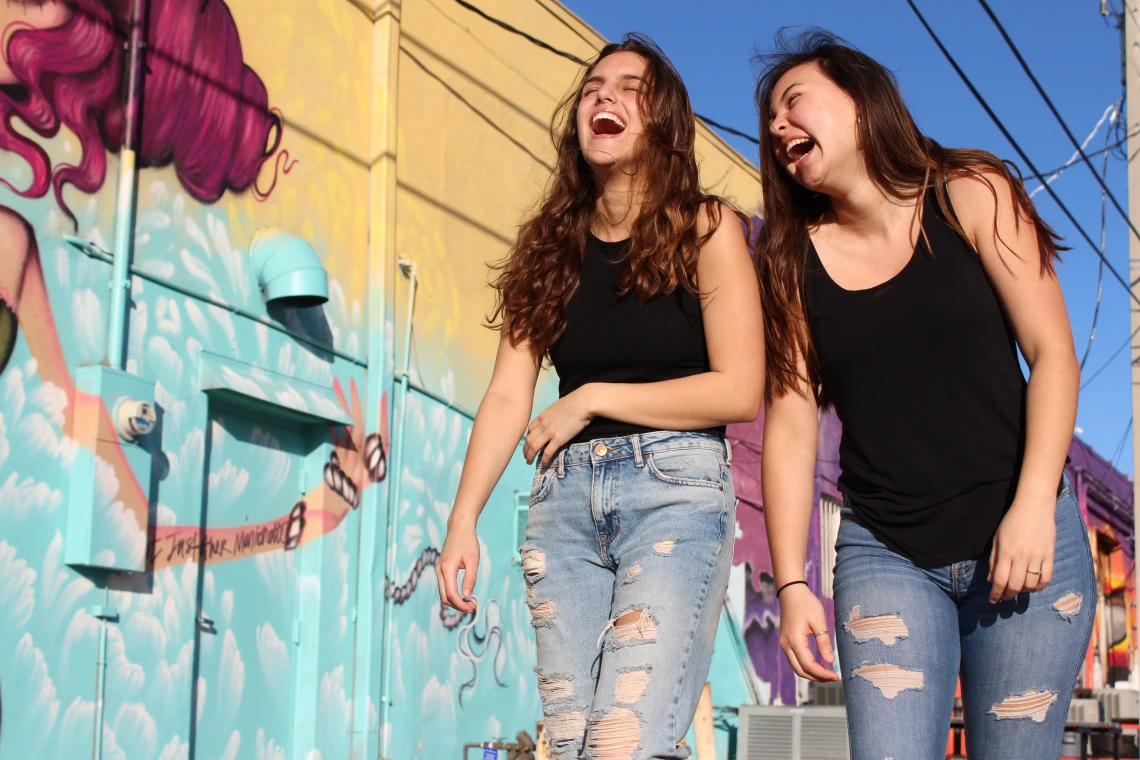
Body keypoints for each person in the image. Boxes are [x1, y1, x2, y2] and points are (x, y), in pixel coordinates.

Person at [755, 29, 1095, 760]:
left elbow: (1053, 355)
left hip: (1024, 535)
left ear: (859, 97)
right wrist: (790, 585)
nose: (778, 126)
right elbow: (789, 423)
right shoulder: (787, 263)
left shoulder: (972, 193)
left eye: (792, 101)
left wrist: (1035, 504)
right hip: (887, 552)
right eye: (768, 123)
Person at [436, 33, 763, 760]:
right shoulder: (548, 249)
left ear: (664, 124)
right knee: (577, 745)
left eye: (629, 88)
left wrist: (589, 400)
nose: (604, 97)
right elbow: (504, 395)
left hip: (674, 494)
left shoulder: (707, 228)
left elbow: (739, 388)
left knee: (623, 744)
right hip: (563, 511)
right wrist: (462, 521)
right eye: (591, 88)